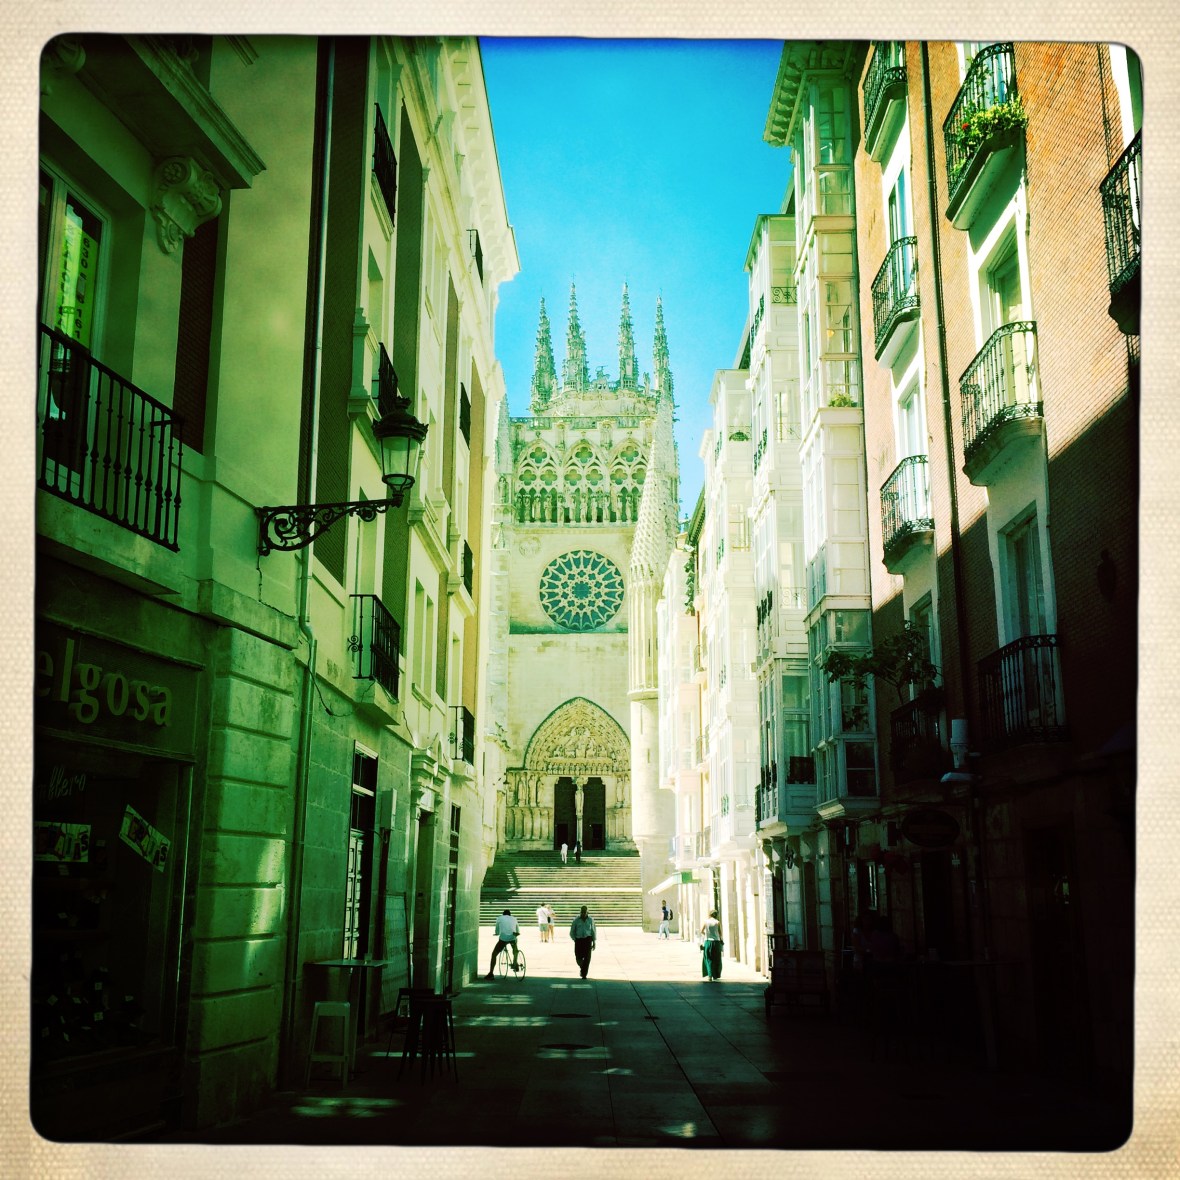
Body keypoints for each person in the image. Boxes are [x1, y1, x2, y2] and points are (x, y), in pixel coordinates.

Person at [485, 909, 520, 978]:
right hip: (512, 937)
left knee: (494, 954)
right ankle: (515, 963)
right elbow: (517, 930)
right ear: (510, 914)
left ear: (503, 914)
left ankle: (491, 973)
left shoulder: (499, 918)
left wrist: (497, 933)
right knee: (515, 948)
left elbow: (497, 929)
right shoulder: (514, 918)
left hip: (503, 938)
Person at [569, 905, 597, 979]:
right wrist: (575, 939)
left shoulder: (590, 920)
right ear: (580, 912)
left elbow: (593, 931)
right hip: (579, 940)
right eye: (582, 912)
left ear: (587, 912)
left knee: (587, 959)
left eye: (585, 912)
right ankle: (583, 968)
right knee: (578, 958)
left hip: (588, 940)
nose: (583, 914)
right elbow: (572, 932)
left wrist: (594, 942)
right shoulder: (576, 920)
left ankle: (584, 974)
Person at [700, 909, 723, 981]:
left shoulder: (706, 922)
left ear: (710, 914)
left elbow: (701, 931)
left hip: (708, 942)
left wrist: (706, 934)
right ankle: (715, 975)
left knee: (708, 959)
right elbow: (720, 933)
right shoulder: (717, 922)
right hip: (716, 943)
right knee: (716, 959)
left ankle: (709, 976)